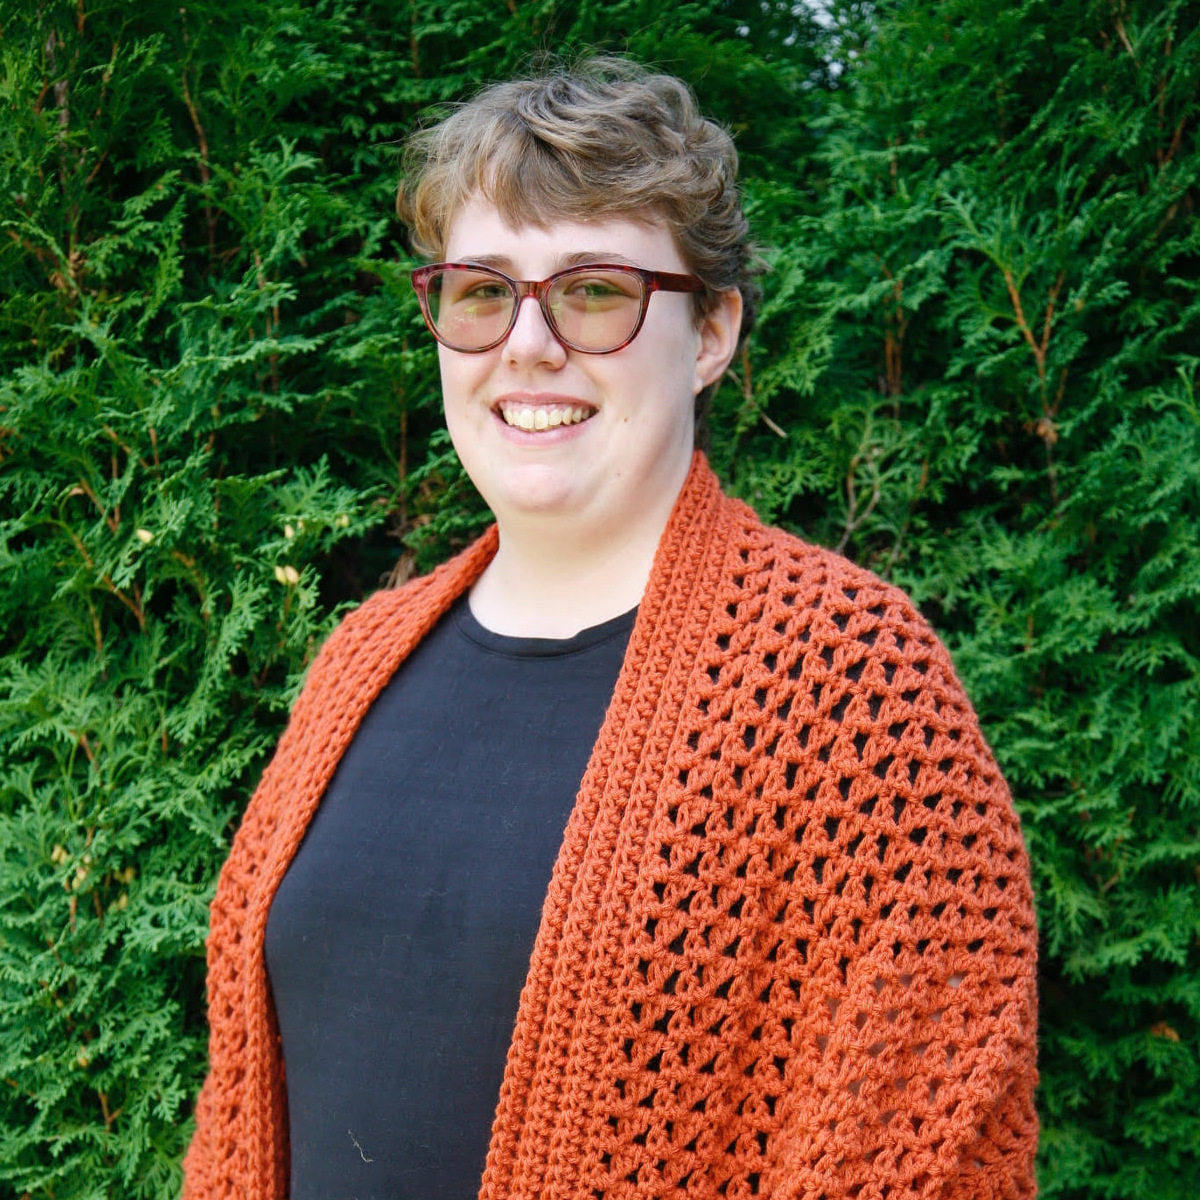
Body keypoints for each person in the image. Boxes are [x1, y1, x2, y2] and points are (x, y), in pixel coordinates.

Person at [182, 57, 1039, 1200]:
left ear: (712, 332)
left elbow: (929, 1145)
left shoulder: (848, 684)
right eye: (482, 290)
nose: (527, 346)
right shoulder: (359, 662)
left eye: (593, 290)